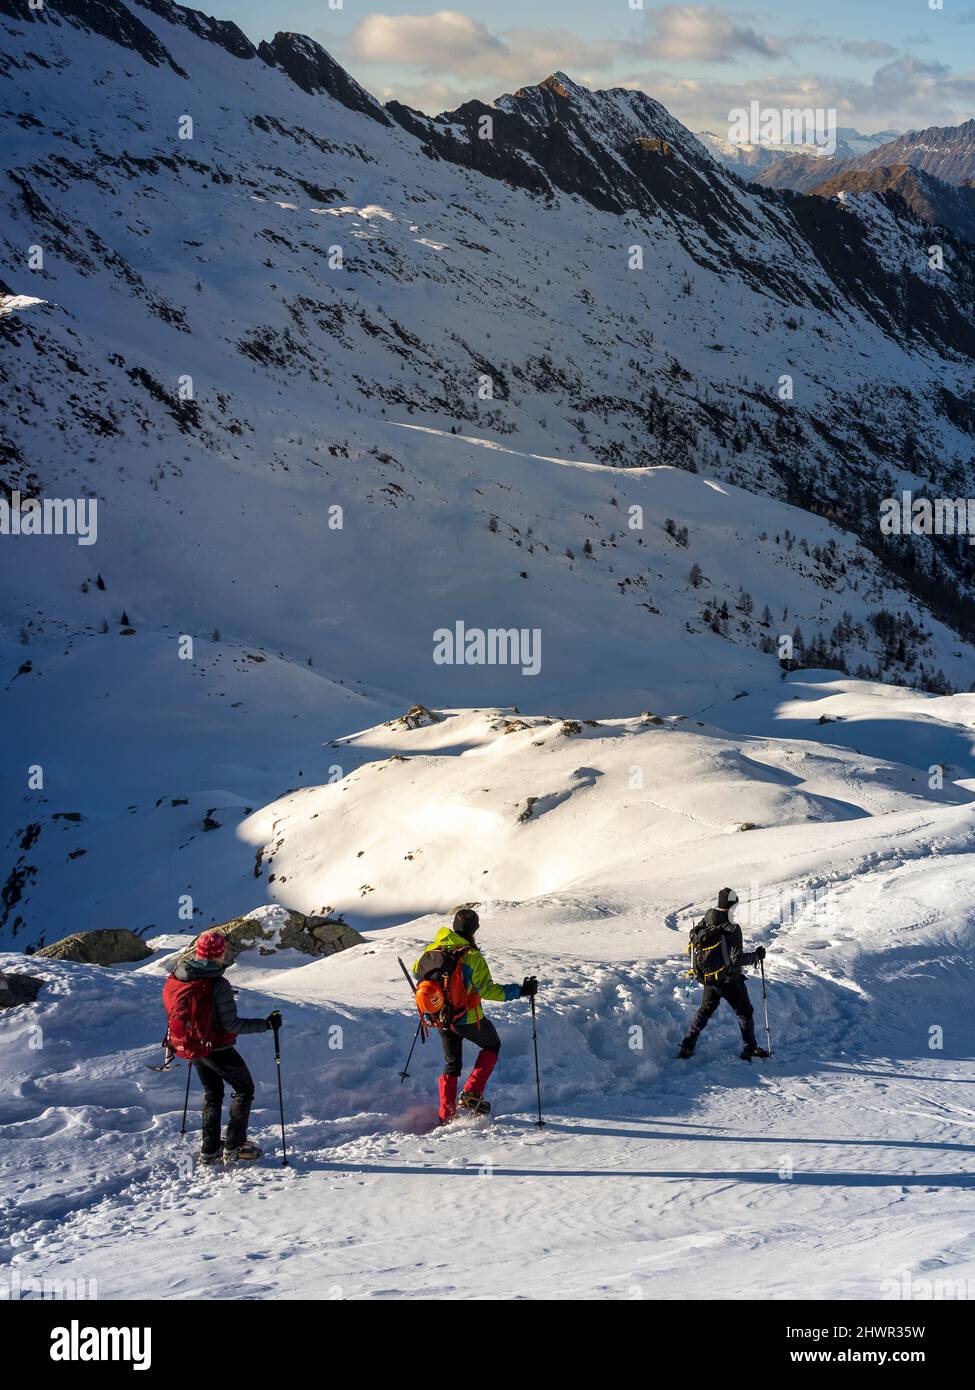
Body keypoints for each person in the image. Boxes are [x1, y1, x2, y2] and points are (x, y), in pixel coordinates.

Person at [162, 931, 281, 1163]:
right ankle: (235, 1146)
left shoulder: (180, 976)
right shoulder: (217, 984)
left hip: (194, 1048)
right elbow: (232, 1024)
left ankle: (209, 1149)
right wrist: (266, 1024)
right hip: (218, 1049)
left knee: (213, 1093)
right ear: (220, 954)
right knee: (245, 1089)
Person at [413, 908, 537, 1123]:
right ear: (474, 930)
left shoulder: (434, 948)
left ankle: (446, 1117)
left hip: (440, 1016)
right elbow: (488, 990)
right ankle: (472, 1092)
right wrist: (521, 990)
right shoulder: (472, 957)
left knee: (452, 1065)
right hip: (468, 1019)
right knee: (492, 1046)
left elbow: (417, 971)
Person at [677, 888, 770, 1061]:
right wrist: (757, 956)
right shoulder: (732, 928)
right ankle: (749, 1049)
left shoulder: (705, 921)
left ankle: (687, 1046)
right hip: (730, 980)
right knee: (745, 1012)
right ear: (732, 905)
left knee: (705, 1010)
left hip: (709, 978)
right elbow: (736, 959)